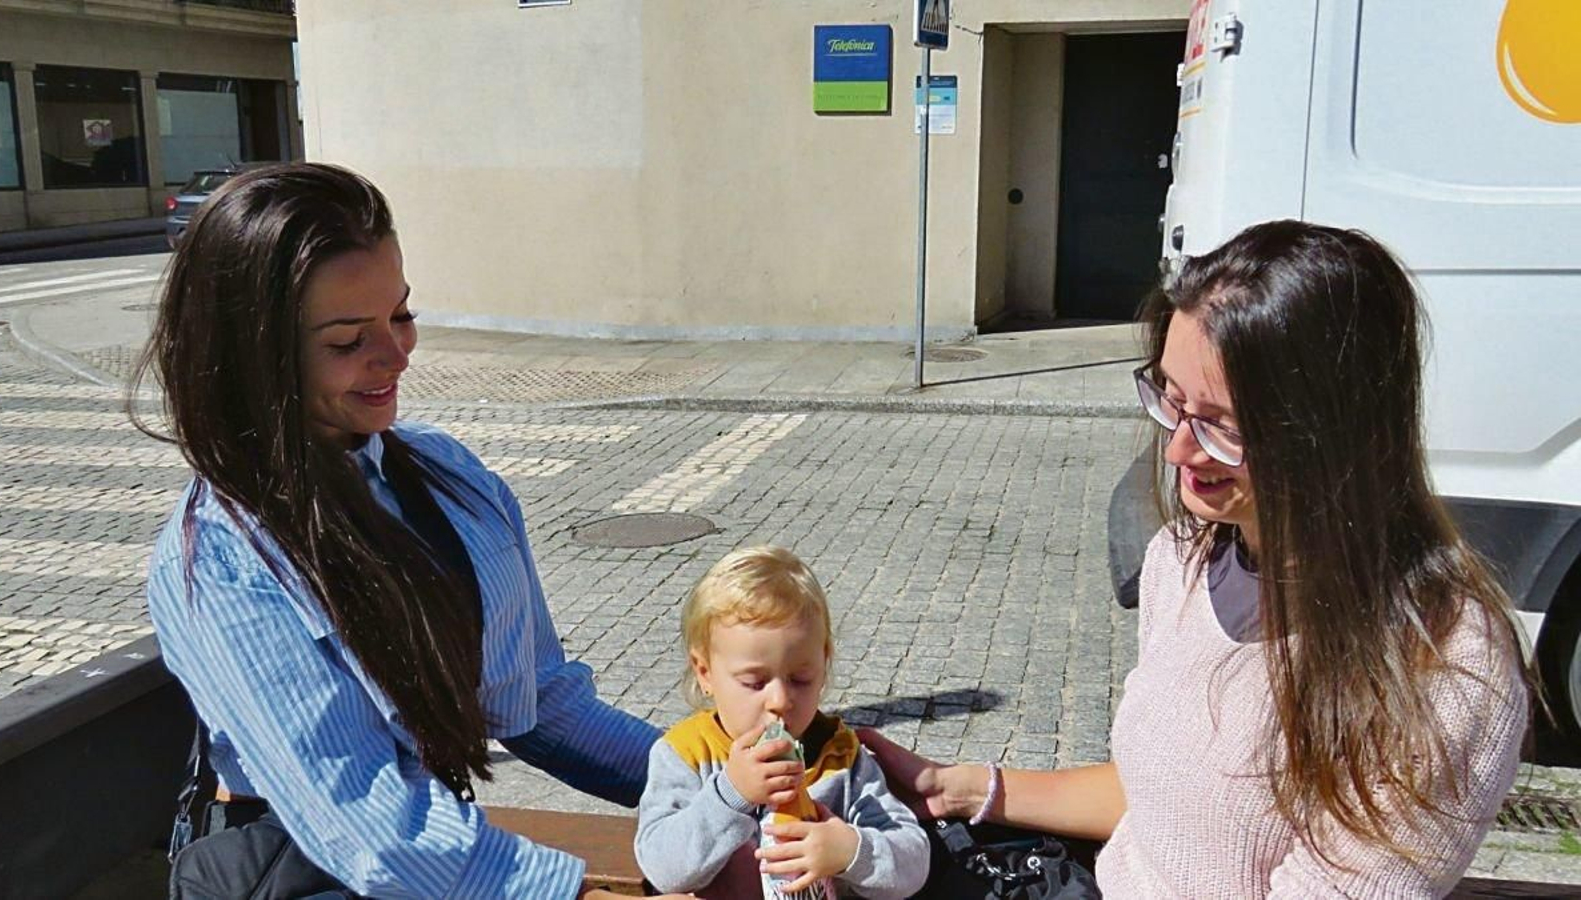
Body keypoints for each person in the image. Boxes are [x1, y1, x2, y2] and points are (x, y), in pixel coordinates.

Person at [860, 220, 1531, 898]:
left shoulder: (1445, 666)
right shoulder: (1185, 560)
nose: (1179, 449)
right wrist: (956, 787)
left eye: (1223, 425)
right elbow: (1164, 799)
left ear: (1336, 432)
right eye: (1172, 401)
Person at [136, 162, 692, 899]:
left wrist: (715, 779)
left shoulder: (446, 476)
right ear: (253, 356)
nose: (396, 354)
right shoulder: (221, 556)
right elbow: (369, 825)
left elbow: (542, 702)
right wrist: (574, 892)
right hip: (307, 873)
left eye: (402, 315)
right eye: (347, 340)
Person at [634, 546, 929, 898]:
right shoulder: (686, 755)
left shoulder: (839, 757)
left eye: (800, 679)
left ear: (823, 664)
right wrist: (731, 795)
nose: (779, 701)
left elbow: (913, 860)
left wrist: (851, 851)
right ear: (705, 673)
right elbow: (663, 869)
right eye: (755, 683)